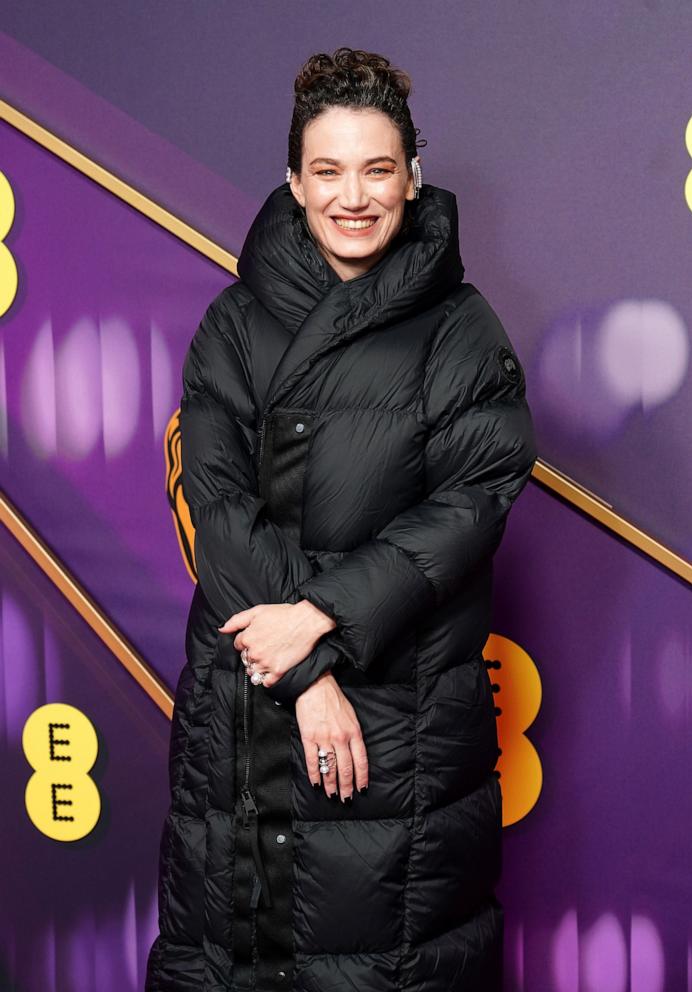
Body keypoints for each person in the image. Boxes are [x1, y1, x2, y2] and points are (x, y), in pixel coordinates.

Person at [145, 46, 537, 992]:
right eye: (327, 170)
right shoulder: (234, 324)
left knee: (382, 955)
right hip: (249, 689)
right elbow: (217, 503)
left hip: (399, 700)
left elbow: (472, 498)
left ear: (411, 176)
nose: (351, 196)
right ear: (293, 181)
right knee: (233, 940)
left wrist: (321, 618)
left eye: (375, 168)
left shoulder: (461, 328)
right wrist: (306, 671)